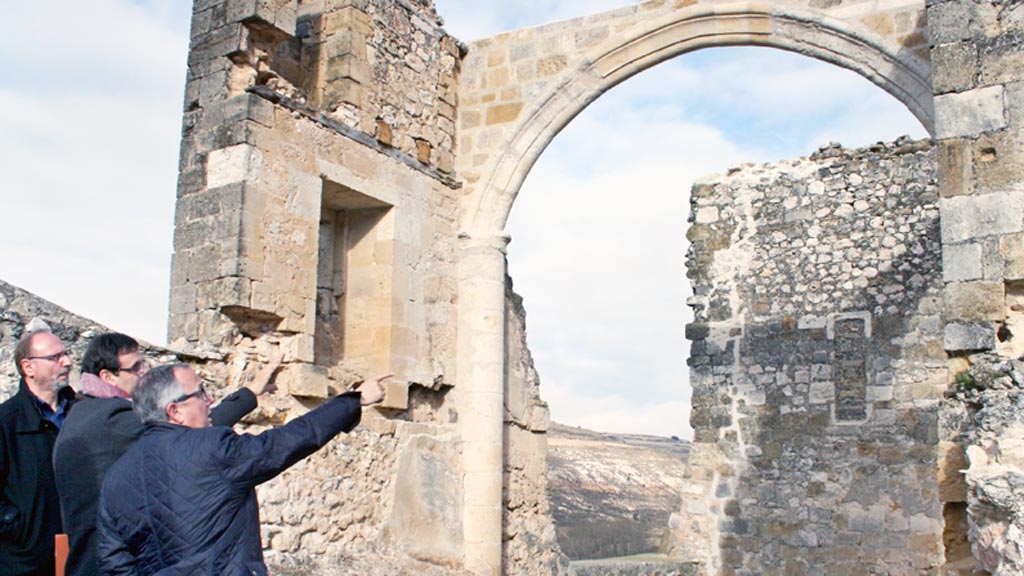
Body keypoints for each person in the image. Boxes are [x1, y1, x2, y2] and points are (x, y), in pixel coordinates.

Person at [97, 363, 387, 575]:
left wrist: (250, 393)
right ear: (175, 411)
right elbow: (288, 442)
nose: (209, 399)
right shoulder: (213, 447)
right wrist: (354, 400)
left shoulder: (115, 475)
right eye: (200, 393)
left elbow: (113, 561)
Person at [53, 332, 280, 576]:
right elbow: (185, 434)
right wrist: (249, 394)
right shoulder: (113, 418)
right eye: (136, 367)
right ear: (108, 376)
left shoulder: (80, 412)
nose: (144, 373)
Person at [0, 329, 77, 576]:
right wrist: (18, 527)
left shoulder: (85, 414)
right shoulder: (6, 422)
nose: (67, 362)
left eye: (66, 354)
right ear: (28, 367)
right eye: (55, 357)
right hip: (26, 559)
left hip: (82, 553)